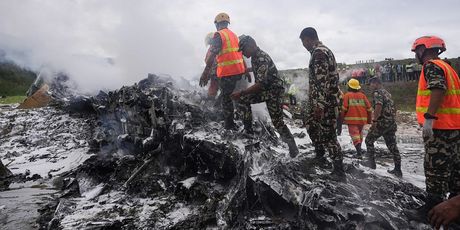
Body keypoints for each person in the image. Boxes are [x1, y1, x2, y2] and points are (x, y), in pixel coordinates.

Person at [407, 35, 460, 221]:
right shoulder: (448, 67)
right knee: (454, 169)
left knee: (435, 168)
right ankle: (454, 208)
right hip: (454, 127)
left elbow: (438, 89)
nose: (416, 55)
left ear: (423, 49)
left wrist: (429, 118)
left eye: (416, 51)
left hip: (440, 128)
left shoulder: (431, 66)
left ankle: (431, 211)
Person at [230, 35, 299, 157]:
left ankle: (293, 147)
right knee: (243, 101)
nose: (243, 54)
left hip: (273, 92)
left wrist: (241, 92)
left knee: (277, 122)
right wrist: (249, 69)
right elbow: (260, 70)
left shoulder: (261, 58)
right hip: (266, 90)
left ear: (251, 46)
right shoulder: (255, 56)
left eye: (243, 50)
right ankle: (249, 131)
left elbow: (260, 85)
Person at [299, 27, 345, 180]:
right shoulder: (321, 51)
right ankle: (320, 156)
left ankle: (339, 171)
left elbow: (322, 81)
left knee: (329, 136)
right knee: (310, 124)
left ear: (308, 39)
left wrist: (319, 105)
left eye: (303, 42)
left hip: (325, 102)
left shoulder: (319, 53)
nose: (304, 46)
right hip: (323, 100)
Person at [199, 13, 246, 130]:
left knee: (226, 99)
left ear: (216, 24)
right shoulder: (234, 35)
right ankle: (232, 119)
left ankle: (229, 125)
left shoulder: (219, 35)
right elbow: (240, 53)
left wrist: (205, 73)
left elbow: (212, 55)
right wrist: (245, 70)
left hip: (227, 72)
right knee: (227, 94)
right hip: (238, 71)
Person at [362, 76, 402, 177]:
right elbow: (393, 107)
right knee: (392, 145)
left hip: (382, 122)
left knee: (369, 140)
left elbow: (378, 106)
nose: (370, 86)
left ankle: (371, 164)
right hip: (391, 123)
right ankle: (398, 169)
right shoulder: (387, 93)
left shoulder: (377, 93)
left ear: (376, 83)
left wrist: (375, 120)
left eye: (371, 84)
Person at [340, 79, 372, 157]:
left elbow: (343, 109)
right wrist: (369, 120)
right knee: (359, 135)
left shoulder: (347, 95)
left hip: (352, 120)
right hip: (362, 120)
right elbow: (369, 109)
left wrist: (341, 120)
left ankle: (359, 153)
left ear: (349, 86)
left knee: (354, 135)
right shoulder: (362, 95)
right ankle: (359, 150)